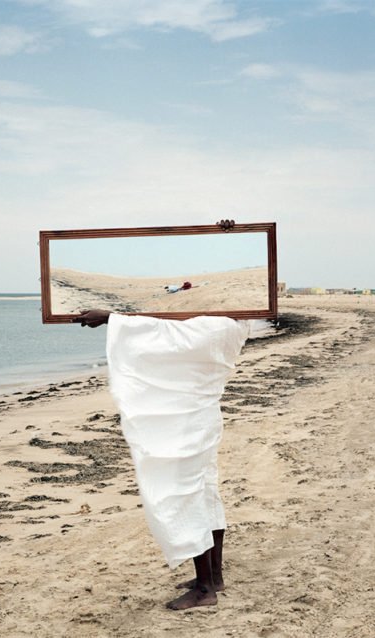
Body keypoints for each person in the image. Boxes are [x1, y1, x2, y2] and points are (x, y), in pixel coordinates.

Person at [73, 220, 247, 611]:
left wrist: (115, 320)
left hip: (185, 422)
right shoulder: (231, 322)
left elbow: (176, 337)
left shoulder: (221, 326)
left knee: (183, 494)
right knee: (203, 491)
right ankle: (214, 576)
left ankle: (205, 591)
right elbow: (171, 330)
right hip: (198, 417)